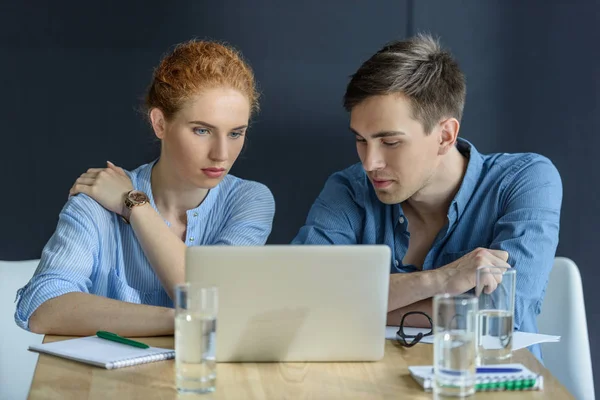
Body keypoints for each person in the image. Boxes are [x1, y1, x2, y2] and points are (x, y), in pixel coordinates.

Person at [292, 34, 561, 359]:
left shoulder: (525, 180)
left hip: (490, 384)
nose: (369, 162)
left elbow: (502, 316)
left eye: (390, 142)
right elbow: (302, 299)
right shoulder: (348, 189)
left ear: (445, 136)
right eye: (361, 140)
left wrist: (353, 304)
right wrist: (441, 280)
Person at [15, 40, 275, 337]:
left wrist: (134, 205)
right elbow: (43, 307)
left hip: (202, 381)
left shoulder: (250, 200)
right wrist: (183, 320)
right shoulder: (98, 197)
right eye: (202, 130)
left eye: (235, 133)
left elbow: (216, 299)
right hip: (101, 383)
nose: (221, 153)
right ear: (160, 123)